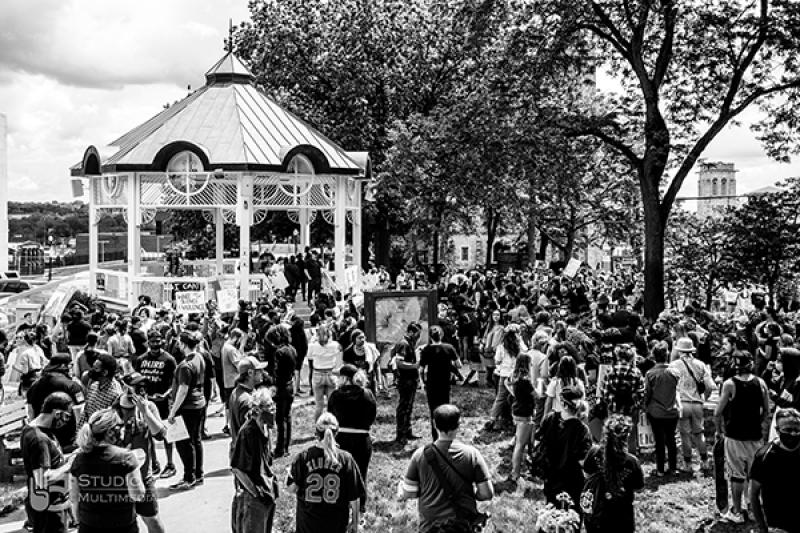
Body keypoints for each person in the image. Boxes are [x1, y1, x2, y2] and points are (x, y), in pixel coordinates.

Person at [398, 404, 494, 533]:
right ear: (459, 424)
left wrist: (400, 490)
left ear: (434, 423)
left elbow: (410, 492)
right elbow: (487, 493)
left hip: (430, 527)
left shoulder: (419, 455)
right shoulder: (472, 454)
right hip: (462, 525)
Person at [714, 351, 770, 524]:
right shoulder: (761, 383)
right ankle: (753, 509)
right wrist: (759, 424)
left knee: (736, 475)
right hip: (755, 436)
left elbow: (717, 412)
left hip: (735, 435)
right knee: (754, 475)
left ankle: (737, 512)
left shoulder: (730, 384)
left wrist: (719, 431)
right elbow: (766, 411)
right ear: (750, 364)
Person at [69, 408, 146, 533]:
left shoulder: (79, 459)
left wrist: (78, 520)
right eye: (120, 426)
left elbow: (74, 496)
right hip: (122, 525)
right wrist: (136, 466)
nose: (123, 429)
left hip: (89, 525)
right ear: (111, 431)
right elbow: (138, 494)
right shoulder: (126, 457)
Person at [288, 413, 365, 533]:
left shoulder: (303, 457)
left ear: (316, 433)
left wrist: (290, 473)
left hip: (308, 525)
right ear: (336, 433)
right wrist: (355, 524)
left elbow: (291, 488)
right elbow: (354, 497)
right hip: (336, 525)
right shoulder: (346, 459)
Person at [114, 373, 168, 533]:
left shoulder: (148, 407)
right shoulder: (114, 408)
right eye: (137, 388)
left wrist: (145, 412)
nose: (141, 391)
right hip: (120, 479)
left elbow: (160, 435)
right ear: (125, 388)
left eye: (143, 388)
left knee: (152, 519)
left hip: (144, 477)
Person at [581, 415, 645, 533]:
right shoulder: (632, 462)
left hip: (596, 514)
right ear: (627, 436)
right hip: (622, 517)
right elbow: (639, 487)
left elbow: (586, 475)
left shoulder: (593, 452)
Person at [327, 365, 377, 514]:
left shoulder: (335, 395)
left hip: (341, 438)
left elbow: (330, 417)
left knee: (340, 472)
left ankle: (341, 504)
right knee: (361, 473)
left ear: (344, 378)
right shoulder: (367, 394)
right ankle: (360, 507)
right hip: (362, 438)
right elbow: (372, 416)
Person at [21, 392, 74, 533]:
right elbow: (42, 479)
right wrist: (69, 466)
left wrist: (71, 457)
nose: (67, 421)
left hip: (50, 506)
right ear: (57, 413)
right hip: (49, 511)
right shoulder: (39, 439)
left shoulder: (36, 430)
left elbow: (52, 462)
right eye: (66, 416)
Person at [535, 387, 592, 508]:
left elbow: (538, 441)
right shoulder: (582, 430)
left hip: (551, 475)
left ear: (564, 404)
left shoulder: (549, 419)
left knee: (551, 512)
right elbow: (583, 460)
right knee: (571, 517)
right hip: (572, 479)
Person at [230, 388, 278, 533]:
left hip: (267, 493)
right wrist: (255, 492)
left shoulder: (265, 428)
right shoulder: (247, 432)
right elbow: (237, 468)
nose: (273, 409)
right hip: (254, 499)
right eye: (269, 406)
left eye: (272, 405)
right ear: (258, 409)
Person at [133, 330, 177, 478]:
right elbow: (137, 381)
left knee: (167, 434)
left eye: (158, 341)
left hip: (164, 402)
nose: (155, 344)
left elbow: (175, 383)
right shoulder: (140, 360)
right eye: (152, 342)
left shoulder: (169, 360)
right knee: (147, 433)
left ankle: (170, 464)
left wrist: (165, 395)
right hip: (147, 403)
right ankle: (154, 463)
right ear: (148, 342)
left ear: (162, 341)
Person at [750, 407, 800, 533]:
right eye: (788, 430)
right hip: (778, 526)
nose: (793, 434)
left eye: (797, 430)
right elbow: (754, 494)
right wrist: (762, 527)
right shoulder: (764, 457)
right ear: (777, 431)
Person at [669, 337, 716, 472]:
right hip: (697, 403)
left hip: (682, 403)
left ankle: (688, 463)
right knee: (699, 433)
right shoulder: (701, 365)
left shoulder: (674, 365)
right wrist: (704, 398)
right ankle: (705, 460)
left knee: (685, 434)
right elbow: (709, 386)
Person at [167, 330, 206, 490]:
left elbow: (183, 390)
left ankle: (188, 476)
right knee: (196, 440)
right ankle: (198, 474)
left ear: (183, 344)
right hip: (199, 403)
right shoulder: (200, 357)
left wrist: (172, 411)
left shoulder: (184, 366)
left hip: (187, 407)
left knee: (184, 443)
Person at [26, 353, 85, 450]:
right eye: (71, 365)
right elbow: (81, 413)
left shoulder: (34, 386)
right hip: (67, 442)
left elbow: (30, 412)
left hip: (43, 440)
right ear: (63, 366)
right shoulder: (72, 386)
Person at [644, 341, 681, 475]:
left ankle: (660, 469)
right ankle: (673, 467)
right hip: (672, 410)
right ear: (667, 355)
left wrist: (645, 405)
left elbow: (647, 393)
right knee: (671, 440)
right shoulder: (675, 372)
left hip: (656, 411)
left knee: (659, 441)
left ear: (654, 356)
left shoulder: (650, 374)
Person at [419, 326, 461, 440]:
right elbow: (459, 365)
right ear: (441, 335)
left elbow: (421, 370)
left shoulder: (427, 349)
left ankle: (435, 437)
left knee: (433, 410)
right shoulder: (449, 348)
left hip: (431, 384)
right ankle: (445, 434)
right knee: (445, 409)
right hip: (445, 383)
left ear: (430, 337)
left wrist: (422, 383)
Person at [486, 325, 523, 431]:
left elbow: (497, 360)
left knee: (500, 398)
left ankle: (492, 419)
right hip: (516, 376)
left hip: (504, 375)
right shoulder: (520, 346)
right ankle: (516, 421)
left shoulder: (501, 346)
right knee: (517, 398)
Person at [394, 322, 423, 443]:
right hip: (405, 380)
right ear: (411, 332)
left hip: (411, 379)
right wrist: (414, 366)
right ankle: (401, 434)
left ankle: (408, 431)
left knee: (409, 407)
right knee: (404, 407)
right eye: (417, 333)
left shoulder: (410, 343)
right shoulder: (404, 344)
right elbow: (399, 362)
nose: (418, 336)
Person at [508, 352, 535, 482]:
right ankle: (515, 474)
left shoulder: (514, 377)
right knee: (520, 445)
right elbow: (538, 395)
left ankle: (529, 468)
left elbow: (508, 385)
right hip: (525, 413)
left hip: (517, 410)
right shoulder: (525, 381)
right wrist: (540, 384)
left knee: (526, 442)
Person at [307, 325, 342, 423]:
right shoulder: (335, 345)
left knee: (319, 405)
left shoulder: (313, 346)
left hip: (318, 373)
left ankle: (318, 428)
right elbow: (339, 353)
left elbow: (309, 356)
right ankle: (332, 425)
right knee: (332, 404)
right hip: (331, 373)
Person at [229, 356, 268, 441]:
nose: (263, 372)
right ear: (250, 373)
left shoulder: (236, 391)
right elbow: (251, 435)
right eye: (259, 370)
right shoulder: (247, 401)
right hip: (249, 452)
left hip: (240, 449)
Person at [78, 353, 122, 427]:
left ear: (105, 372)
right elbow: (85, 413)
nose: (91, 371)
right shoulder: (93, 386)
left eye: (96, 369)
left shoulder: (115, 395)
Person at [543, 355, 585, 419]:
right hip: (574, 417)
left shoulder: (555, 382)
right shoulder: (579, 383)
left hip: (558, 417)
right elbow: (582, 400)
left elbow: (548, 403)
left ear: (560, 367)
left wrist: (545, 418)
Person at [221, 328, 246, 433]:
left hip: (227, 380)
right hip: (233, 380)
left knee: (228, 404)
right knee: (234, 405)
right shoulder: (231, 349)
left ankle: (228, 425)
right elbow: (239, 365)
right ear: (236, 338)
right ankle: (233, 426)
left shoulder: (225, 347)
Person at [480, 310, 504, 387]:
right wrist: (482, 344)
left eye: (497, 315)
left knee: (495, 367)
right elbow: (485, 336)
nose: (495, 317)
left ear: (500, 317)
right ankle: (489, 381)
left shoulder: (502, 328)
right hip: (487, 349)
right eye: (494, 315)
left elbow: (500, 340)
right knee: (489, 367)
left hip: (496, 350)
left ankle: (494, 383)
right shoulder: (489, 326)